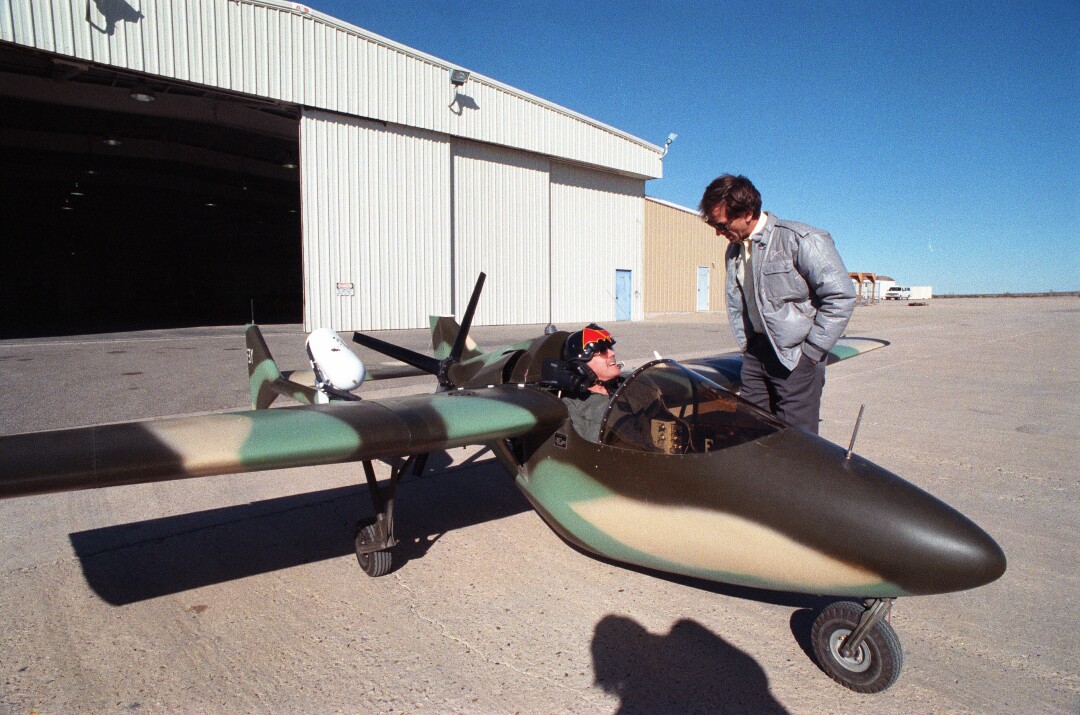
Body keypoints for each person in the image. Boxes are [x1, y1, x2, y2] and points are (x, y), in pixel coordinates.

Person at [699, 174, 856, 434]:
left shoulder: (801, 239)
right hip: (756, 355)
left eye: (722, 225)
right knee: (751, 431)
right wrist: (749, 348)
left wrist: (811, 353)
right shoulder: (735, 250)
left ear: (747, 213)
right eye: (713, 225)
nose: (718, 232)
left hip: (796, 358)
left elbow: (841, 296)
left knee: (796, 441)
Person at [557, 324, 623, 442]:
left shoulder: (628, 389)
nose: (612, 353)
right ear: (581, 367)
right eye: (602, 350)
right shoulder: (572, 407)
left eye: (610, 348)